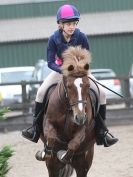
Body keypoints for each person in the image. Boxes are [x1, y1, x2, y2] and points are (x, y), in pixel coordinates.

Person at [22, 4, 118, 151]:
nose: (71, 26)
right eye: (68, 24)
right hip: (61, 70)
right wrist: (63, 70)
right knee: (41, 92)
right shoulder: (53, 38)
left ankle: (102, 131)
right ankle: (34, 129)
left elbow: (87, 57)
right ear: (60, 24)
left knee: (102, 93)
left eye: (73, 23)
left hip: (80, 72)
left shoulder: (81, 36)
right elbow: (50, 62)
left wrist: (81, 69)